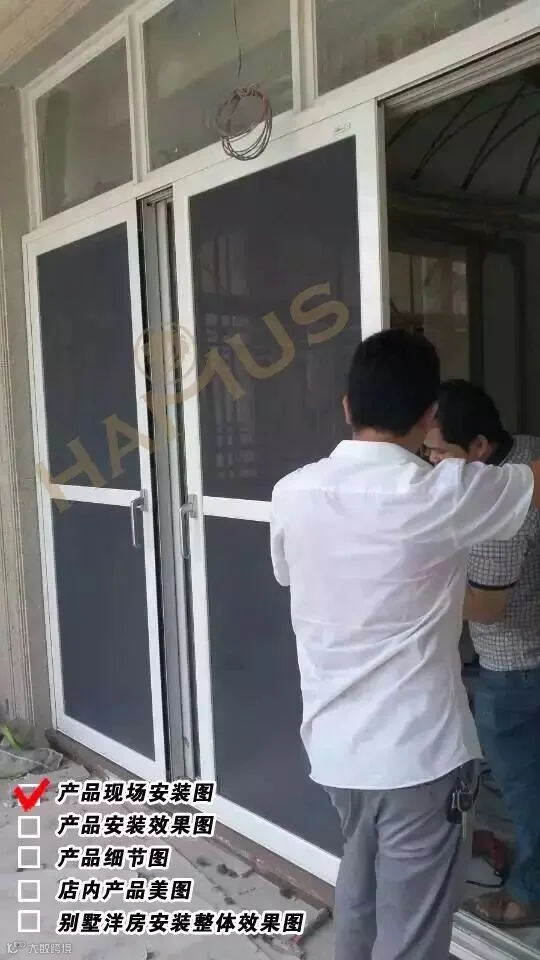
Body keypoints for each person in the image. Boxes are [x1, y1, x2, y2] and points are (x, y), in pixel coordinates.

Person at [269, 330, 540, 960]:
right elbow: (529, 480)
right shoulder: (442, 494)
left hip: (336, 749)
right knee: (412, 937)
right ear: (427, 418)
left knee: (360, 890)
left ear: (347, 406)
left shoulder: (292, 492)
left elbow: (291, 575)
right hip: (418, 760)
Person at [424, 379, 540, 928]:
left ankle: (529, 894)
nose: (429, 463)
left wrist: (416, 582)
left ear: (479, 447)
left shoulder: (496, 515)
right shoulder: (529, 452)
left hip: (516, 667)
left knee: (526, 789)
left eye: (438, 452)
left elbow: (487, 609)